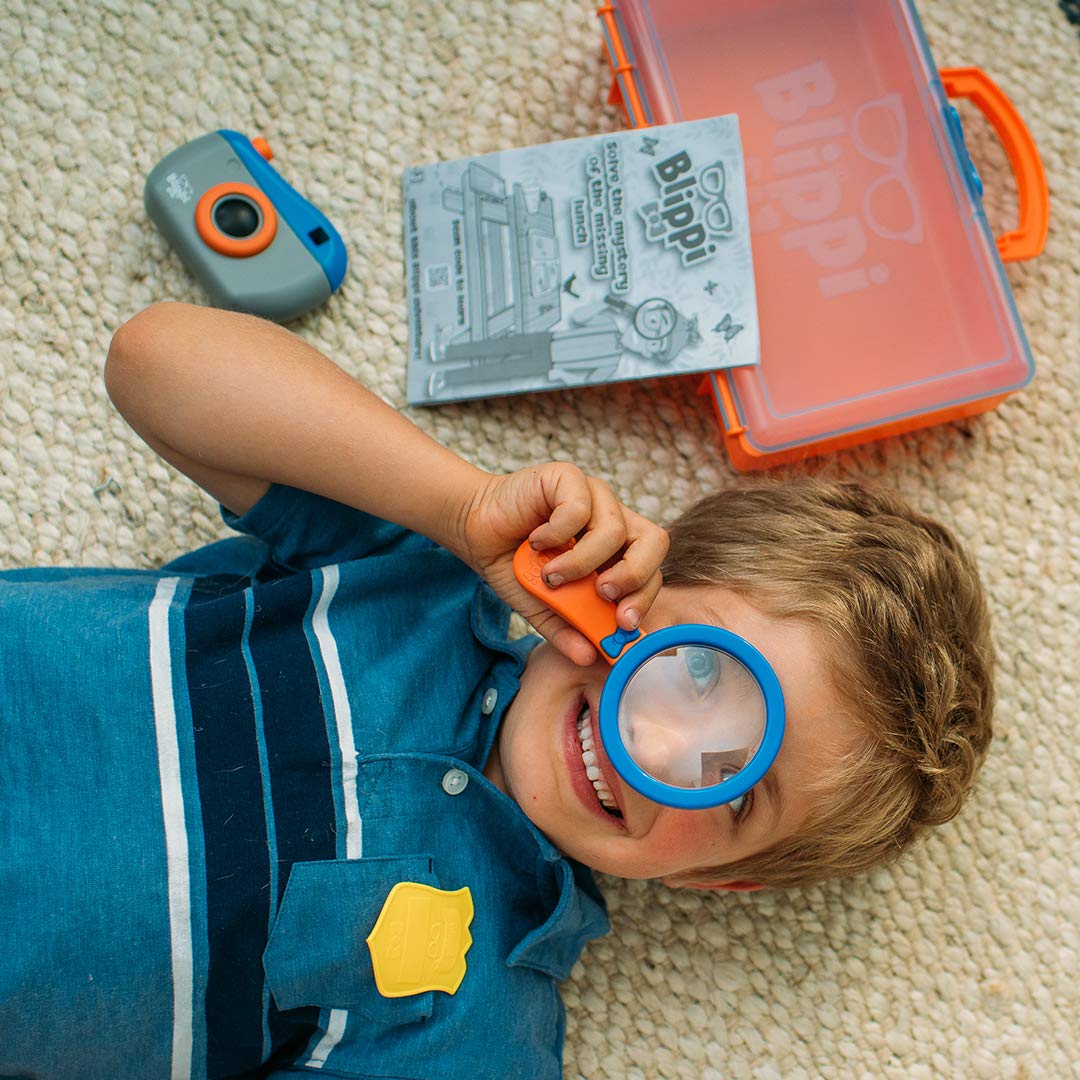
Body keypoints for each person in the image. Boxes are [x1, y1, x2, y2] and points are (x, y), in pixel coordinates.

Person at [0, 302, 994, 1080]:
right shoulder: (413, 569)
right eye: (700, 671)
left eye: (732, 788)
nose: (652, 750)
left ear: (715, 880)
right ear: (642, 576)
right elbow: (153, 357)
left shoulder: (479, 1032)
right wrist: (459, 504)